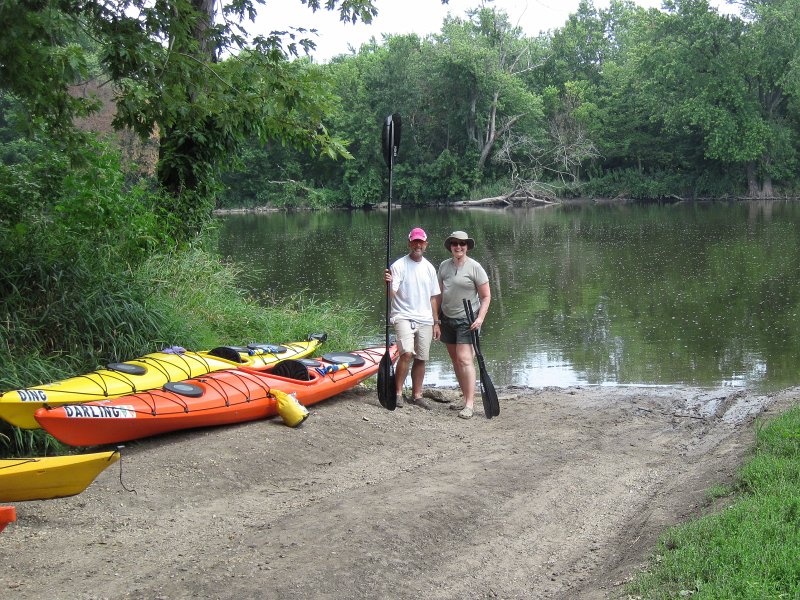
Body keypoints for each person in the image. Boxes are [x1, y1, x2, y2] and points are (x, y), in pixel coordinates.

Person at [384, 227, 441, 409]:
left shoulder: (430, 268)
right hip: (402, 315)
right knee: (406, 353)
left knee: (421, 358)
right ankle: (398, 393)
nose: (417, 245)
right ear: (409, 243)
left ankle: (417, 395)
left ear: (426, 245)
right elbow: (391, 294)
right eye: (414, 241)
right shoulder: (398, 266)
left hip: (425, 319)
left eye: (421, 242)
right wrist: (388, 284)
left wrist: (436, 321)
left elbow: (433, 297)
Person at [438, 230, 491, 419]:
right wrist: (437, 319)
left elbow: (486, 296)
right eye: (455, 244)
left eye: (462, 244)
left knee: (465, 359)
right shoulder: (444, 266)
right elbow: (439, 294)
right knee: (455, 361)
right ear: (450, 246)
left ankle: (469, 404)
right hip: (446, 319)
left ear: (467, 246)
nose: (458, 247)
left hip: (468, 320)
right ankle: (465, 398)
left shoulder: (475, 267)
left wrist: (480, 319)